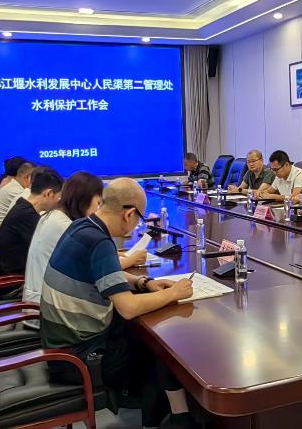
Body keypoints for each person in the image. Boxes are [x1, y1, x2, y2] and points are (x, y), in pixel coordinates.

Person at [40, 178, 198, 428]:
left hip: (60, 346)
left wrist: (144, 283)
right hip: (80, 358)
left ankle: (168, 414)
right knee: (160, 342)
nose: (137, 226)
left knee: (148, 331)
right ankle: (175, 418)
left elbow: (107, 273)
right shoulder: (99, 242)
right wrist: (174, 293)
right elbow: (128, 308)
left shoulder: (82, 226)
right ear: (128, 214)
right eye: (139, 219)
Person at [23, 172, 147, 321]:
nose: (99, 209)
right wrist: (131, 260)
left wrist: (139, 281)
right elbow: (128, 307)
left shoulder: (61, 219)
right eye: (99, 203)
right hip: (44, 312)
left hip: (49, 307)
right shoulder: (67, 226)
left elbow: (100, 270)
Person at [0, 166, 64, 277]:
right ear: (48, 193)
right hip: (13, 281)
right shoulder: (26, 216)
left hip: (18, 273)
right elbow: (51, 248)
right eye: (59, 197)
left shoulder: (23, 207)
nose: (59, 202)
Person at [0, 161, 34, 242]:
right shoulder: (15, 192)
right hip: (3, 242)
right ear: (28, 177)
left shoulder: (14, 187)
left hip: (4, 238)